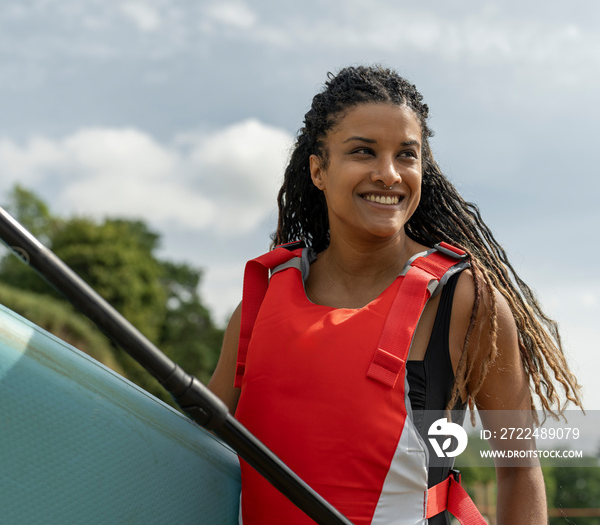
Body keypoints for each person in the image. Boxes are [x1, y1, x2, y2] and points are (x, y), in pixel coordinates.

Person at [208, 65, 582, 524]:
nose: (388, 174)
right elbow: (198, 445)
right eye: (363, 152)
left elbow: (518, 469)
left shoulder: (464, 300)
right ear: (319, 170)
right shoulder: (262, 303)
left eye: (407, 155)